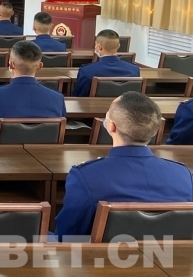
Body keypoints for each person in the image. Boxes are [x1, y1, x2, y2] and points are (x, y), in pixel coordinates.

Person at [54, 92, 193, 238]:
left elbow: (67, 234)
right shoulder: (184, 175)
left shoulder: (85, 176)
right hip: (168, 252)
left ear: (111, 126)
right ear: (156, 129)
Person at [0, 40, 66, 144]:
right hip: (45, 154)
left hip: (3, 154)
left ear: (11, 64)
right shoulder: (58, 98)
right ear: (40, 66)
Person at [72, 29, 140, 97]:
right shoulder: (134, 70)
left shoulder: (86, 71)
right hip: (125, 104)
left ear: (99, 47)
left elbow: (78, 97)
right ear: (118, 46)